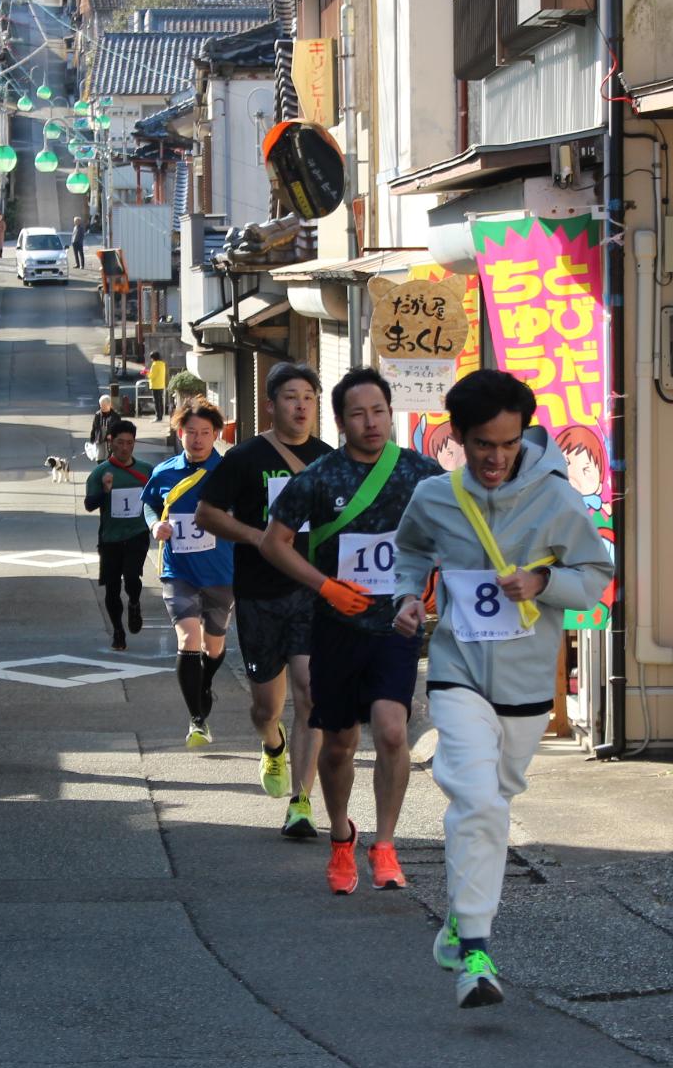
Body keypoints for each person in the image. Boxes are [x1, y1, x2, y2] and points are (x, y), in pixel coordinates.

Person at [391, 370, 612, 1007]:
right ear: (458, 438)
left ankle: (464, 913)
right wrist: (408, 597)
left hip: (525, 683)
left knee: (498, 797)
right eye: (483, 444)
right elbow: (410, 552)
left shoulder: (557, 499)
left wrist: (543, 585)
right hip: (458, 670)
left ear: (523, 437)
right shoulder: (435, 496)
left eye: (508, 444)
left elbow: (595, 572)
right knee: (476, 799)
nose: (496, 457)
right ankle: (476, 952)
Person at [260, 368, 443, 894]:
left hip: (396, 623)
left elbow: (451, 531)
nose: (371, 422)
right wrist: (325, 587)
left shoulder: (422, 472)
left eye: (379, 411)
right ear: (340, 421)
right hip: (336, 625)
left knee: (391, 731)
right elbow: (274, 542)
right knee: (338, 745)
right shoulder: (319, 477)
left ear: (391, 413)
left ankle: (385, 844)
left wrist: (432, 576)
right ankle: (342, 837)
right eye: (358, 414)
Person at [195, 363, 333, 838]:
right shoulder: (246, 457)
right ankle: (272, 745)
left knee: (310, 692)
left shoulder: (330, 460)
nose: (301, 406)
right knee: (265, 709)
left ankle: (301, 803)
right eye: (291, 397)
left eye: (309, 397)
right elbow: (207, 514)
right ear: (271, 405)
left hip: (312, 592)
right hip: (259, 593)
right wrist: (259, 537)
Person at [140, 400, 233, 747]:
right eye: (190, 432)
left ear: (216, 435)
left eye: (205, 433)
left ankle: (205, 681)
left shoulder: (228, 472)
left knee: (214, 645)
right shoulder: (164, 472)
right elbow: (148, 503)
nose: (197, 439)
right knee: (188, 639)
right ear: (180, 434)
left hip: (222, 572)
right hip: (178, 570)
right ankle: (197, 719)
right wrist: (154, 525)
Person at [84, 417, 153, 651]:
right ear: (111, 442)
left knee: (132, 577)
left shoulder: (146, 470)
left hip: (137, 533)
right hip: (111, 538)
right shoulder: (100, 472)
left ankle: (134, 603)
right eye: (121, 443)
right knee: (112, 587)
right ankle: (118, 631)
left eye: (130, 443)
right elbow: (89, 505)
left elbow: (157, 498)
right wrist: (105, 491)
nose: (125, 448)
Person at [147, 353, 169, 421]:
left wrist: (146, 373)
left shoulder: (154, 364)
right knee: (160, 401)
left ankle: (158, 417)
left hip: (155, 385)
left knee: (156, 401)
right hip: (161, 385)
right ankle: (161, 416)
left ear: (153, 358)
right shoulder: (162, 364)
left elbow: (152, 376)